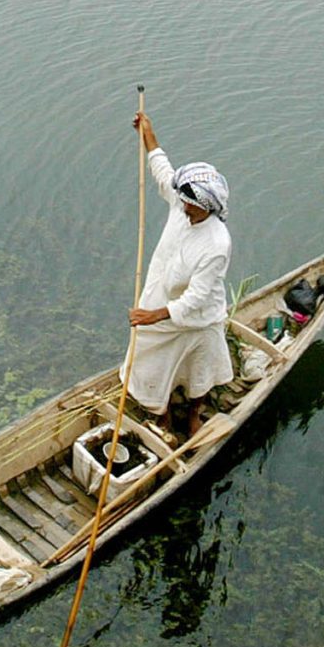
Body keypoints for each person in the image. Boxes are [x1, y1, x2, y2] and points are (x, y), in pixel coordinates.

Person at [126, 110, 234, 439]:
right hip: (162, 298)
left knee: (200, 370)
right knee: (149, 360)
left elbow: (197, 297)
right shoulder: (182, 205)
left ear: (207, 206)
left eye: (191, 204)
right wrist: (148, 133)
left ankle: (193, 415)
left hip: (197, 317)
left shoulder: (216, 243)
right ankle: (162, 420)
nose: (184, 207)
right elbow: (162, 171)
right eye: (183, 200)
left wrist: (153, 316)